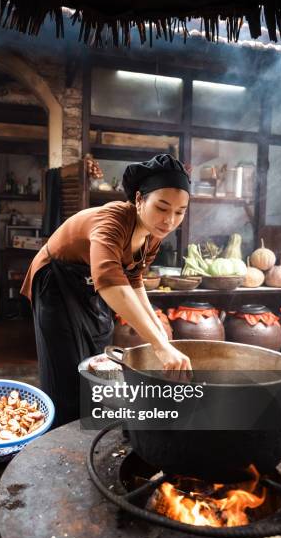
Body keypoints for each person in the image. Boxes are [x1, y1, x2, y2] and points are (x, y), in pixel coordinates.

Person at [21, 154, 192, 427]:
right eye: (162, 208)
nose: (169, 220)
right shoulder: (111, 222)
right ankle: (62, 434)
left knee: (98, 359)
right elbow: (111, 282)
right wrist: (160, 347)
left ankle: (93, 424)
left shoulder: (151, 236)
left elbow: (134, 281)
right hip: (56, 279)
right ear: (139, 200)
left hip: (88, 283)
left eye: (179, 212)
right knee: (65, 367)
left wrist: (159, 331)